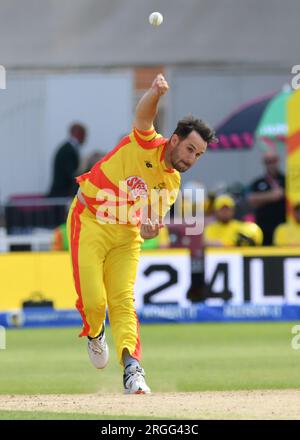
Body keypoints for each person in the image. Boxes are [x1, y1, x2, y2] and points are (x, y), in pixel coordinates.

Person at [66, 73, 216, 394]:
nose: (191, 159)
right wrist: (154, 92)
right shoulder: (146, 142)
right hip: (90, 219)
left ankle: (133, 370)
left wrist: (150, 226)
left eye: (198, 155)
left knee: (122, 301)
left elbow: (151, 218)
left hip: (126, 235)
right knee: (94, 302)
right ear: (174, 140)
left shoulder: (172, 182)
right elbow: (143, 115)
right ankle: (94, 335)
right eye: (190, 149)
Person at [247, 150, 285, 245]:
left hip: (283, 225)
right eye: (268, 161)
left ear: (278, 161)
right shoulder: (258, 182)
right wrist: (272, 196)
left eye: (273, 160)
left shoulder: (285, 180)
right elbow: (251, 199)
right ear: (264, 163)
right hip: (263, 225)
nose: (271, 164)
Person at [48, 123, 87, 197]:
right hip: (61, 193)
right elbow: (71, 173)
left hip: (60, 193)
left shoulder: (67, 148)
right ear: (79, 134)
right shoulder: (68, 150)